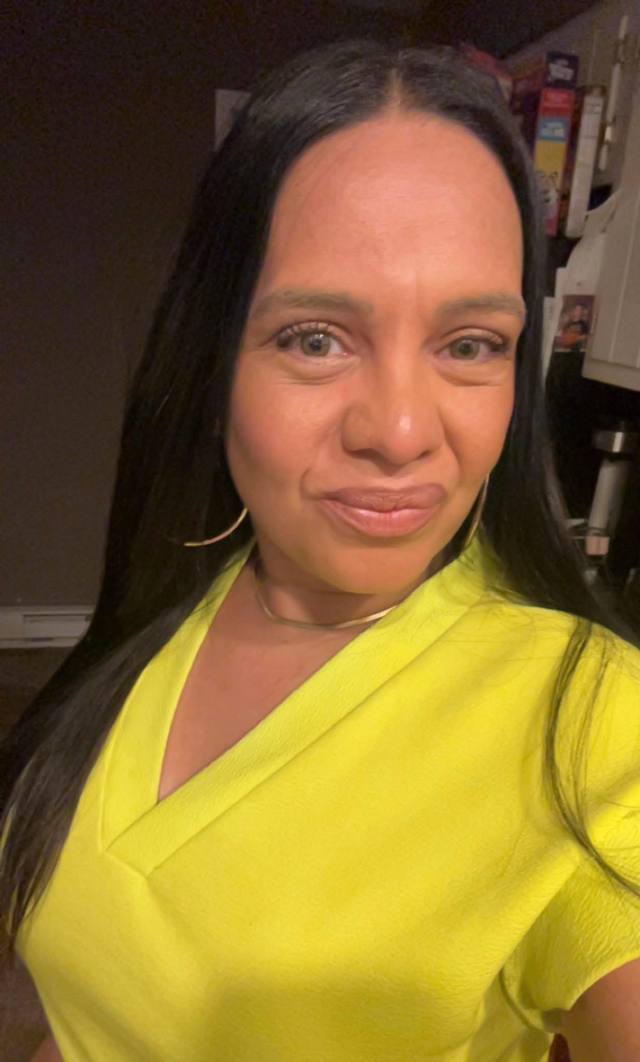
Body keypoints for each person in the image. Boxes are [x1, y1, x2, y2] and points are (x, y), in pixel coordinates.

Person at [2, 39, 640, 1062]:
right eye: (315, 338)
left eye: (469, 344)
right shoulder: (183, 597)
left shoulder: (590, 717)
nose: (400, 432)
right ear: (212, 360)